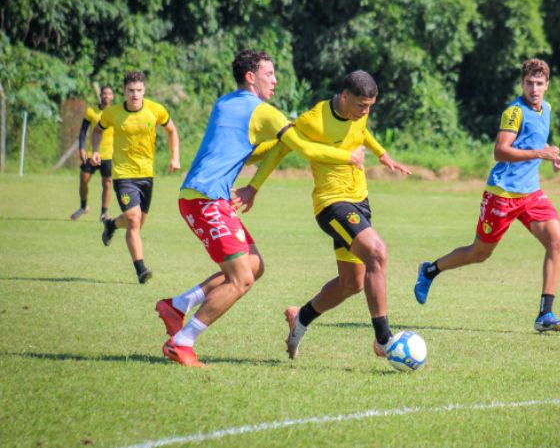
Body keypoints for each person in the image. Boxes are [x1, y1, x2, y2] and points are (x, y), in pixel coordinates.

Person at [155, 50, 364, 367]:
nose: (275, 80)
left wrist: (280, 142)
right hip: (207, 198)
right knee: (242, 279)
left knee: (254, 265)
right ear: (251, 77)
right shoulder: (264, 112)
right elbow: (304, 148)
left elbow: (249, 153)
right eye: (270, 73)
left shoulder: (225, 102)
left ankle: (178, 304)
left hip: (203, 196)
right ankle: (182, 342)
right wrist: (348, 157)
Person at [234, 70, 411, 361]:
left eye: (370, 107)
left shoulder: (358, 113)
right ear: (344, 96)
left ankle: (300, 317)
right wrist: (253, 187)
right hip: (332, 205)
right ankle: (384, 339)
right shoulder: (313, 120)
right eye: (361, 106)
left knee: (352, 283)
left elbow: (361, 131)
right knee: (377, 253)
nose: (365, 112)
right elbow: (281, 149)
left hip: (360, 201)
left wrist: (382, 154)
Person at [413, 58, 560, 333]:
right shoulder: (514, 111)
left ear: (547, 85)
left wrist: (550, 154)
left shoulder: (546, 109)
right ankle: (430, 270)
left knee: (556, 243)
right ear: (522, 83)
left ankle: (545, 315)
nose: (534, 88)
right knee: (480, 252)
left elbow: (533, 141)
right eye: (529, 83)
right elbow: (500, 150)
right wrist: (539, 154)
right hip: (503, 194)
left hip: (531, 193)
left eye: (539, 83)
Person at [91, 71, 181, 284]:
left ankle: (111, 224)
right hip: (123, 175)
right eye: (130, 91)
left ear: (144, 90)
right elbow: (97, 131)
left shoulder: (155, 110)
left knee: (138, 223)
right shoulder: (112, 113)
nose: (134, 95)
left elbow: (171, 131)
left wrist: (175, 156)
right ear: (124, 91)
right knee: (133, 219)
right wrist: (95, 150)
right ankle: (141, 269)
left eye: (139, 90)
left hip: (146, 174)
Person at [70, 85, 115, 221]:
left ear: (112, 97)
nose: (106, 96)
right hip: (91, 152)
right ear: (100, 95)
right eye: (104, 93)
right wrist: (82, 148)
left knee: (107, 182)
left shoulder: (115, 112)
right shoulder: (91, 111)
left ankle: (104, 213)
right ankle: (83, 207)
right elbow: (83, 131)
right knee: (83, 179)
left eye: (109, 94)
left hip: (109, 154)